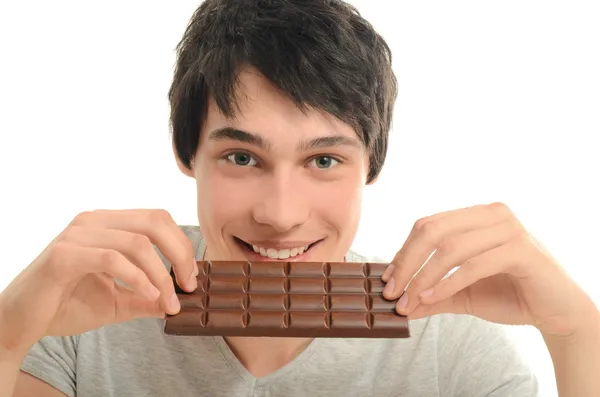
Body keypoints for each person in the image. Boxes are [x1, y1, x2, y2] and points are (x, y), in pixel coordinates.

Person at [1, 0, 598, 395]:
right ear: (188, 155)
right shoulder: (85, 307)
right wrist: (5, 340)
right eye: (242, 157)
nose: (281, 215)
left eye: (323, 160)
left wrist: (577, 333)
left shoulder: (455, 346)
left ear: (372, 165)